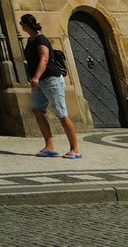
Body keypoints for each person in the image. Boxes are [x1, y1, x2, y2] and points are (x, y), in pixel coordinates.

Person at [19, 13, 81, 159]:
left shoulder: (41, 39)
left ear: (27, 25)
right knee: (37, 110)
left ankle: (75, 149)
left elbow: (44, 59)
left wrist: (36, 77)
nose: (21, 26)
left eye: (22, 23)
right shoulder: (30, 40)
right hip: (39, 82)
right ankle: (50, 146)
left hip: (50, 79)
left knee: (61, 113)